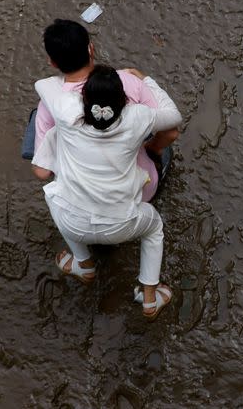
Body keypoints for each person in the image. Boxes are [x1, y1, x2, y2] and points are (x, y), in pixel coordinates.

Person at [33, 65, 182, 319]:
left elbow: (42, 85)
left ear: (84, 102)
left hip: (74, 222)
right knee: (154, 228)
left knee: (55, 196)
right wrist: (147, 79)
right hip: (121, 223)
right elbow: (173, 117)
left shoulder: (66, 120)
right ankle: (149, 297)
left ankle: (84, 264)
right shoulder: (137, 117)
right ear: (123, 102)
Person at [31, 19, 177, 203]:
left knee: (36, 118)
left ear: (52, 63)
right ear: (91, 49)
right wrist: (153, 149)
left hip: (85, 200)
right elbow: (171, 132)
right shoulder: (128, 81)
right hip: (138, 192)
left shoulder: (51, 103)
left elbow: (42, 172)